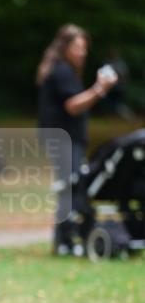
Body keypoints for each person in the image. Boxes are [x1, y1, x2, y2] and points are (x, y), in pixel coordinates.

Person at [37, 23, 118, 255]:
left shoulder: (65, 70)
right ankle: (65, 240)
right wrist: (100, 89)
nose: (82, 52)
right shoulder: (61, 71)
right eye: (77, 47)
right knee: (70, 185)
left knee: (70, 185)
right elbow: (73, 105)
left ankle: (66, 239)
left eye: (84, 48)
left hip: (66, 137)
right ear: (65, 48)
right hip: (62, 138)